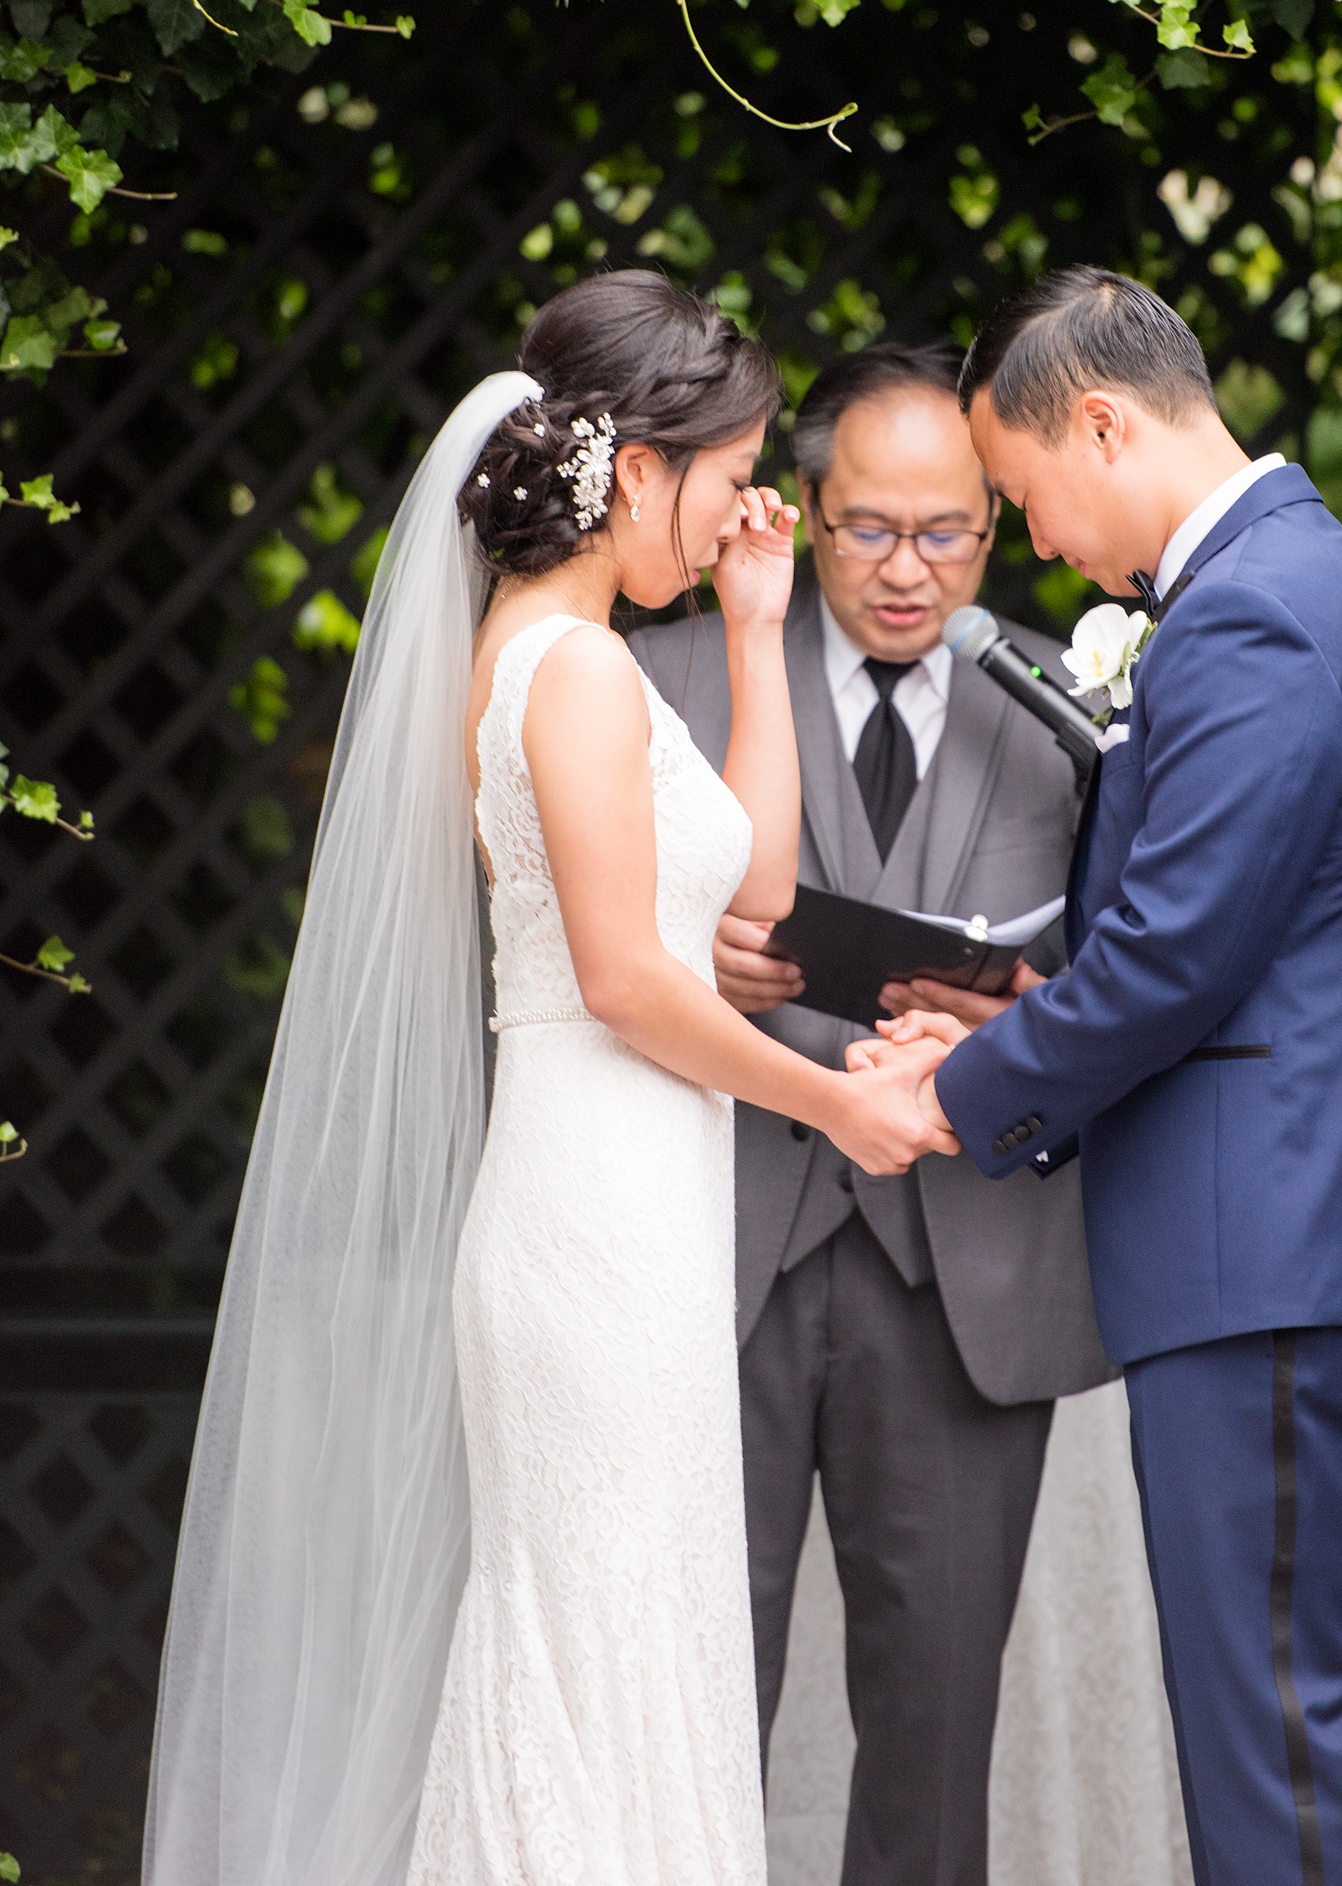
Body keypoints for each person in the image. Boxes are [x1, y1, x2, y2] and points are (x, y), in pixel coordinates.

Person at [142, 272, 952, 1886]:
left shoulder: (579, 657)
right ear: (636, 475)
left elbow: (755, 900)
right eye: (727, 483)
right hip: (590, 1215)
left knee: (626, 1632)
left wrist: (756, 629)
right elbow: (627, 980)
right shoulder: (568, 672)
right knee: (594, 1642)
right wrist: (839, 1102)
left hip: (630, 1207)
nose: (740, 517)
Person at [870, 268, 1342, 1886]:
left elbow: (1177, 957)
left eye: (1021, 498)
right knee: (1265, 1710)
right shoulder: (1291, 588)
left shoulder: (1256, 613)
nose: (1043, 546)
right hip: (1273, 1229)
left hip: (1269, 1245)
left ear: (1101, 420)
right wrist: (1020, 1011)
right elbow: (1242, 940)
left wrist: (957, 1093)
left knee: (1269, 1724)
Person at [632, 342, 1115, 1886]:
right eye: (869, 531)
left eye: (950, 534)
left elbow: (1136, 973)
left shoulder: (1072, 709)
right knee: (686, 1708)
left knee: (937, 1730)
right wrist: (674, 944)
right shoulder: (665, 674)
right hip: (721, 1253)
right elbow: (564, 937)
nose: (909, 572)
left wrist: (1030, 1010)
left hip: (964, 1262)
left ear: (997, 522)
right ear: (803, 510)